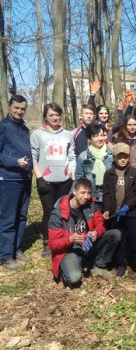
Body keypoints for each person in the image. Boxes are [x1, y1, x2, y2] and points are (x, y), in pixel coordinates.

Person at [49, 177, 121, 287]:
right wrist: (70, 239)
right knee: (74, 278)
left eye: (89, 193)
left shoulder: (91, 205)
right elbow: (53, 244)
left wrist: (96, 232)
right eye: (82, 192)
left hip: (88, 243)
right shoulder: (58, 213)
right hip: (69, 249)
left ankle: (99, 265)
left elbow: (100, 223)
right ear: (74, 191)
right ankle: (71, 267)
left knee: (115, 234)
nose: (86, 196)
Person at [31, 103, 76, 258]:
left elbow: (71, 154)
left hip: (64, 179)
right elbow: (33, 157)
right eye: (51, 115)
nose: (55, 118)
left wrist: (72, 169)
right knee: (49, 212)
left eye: (57, 115)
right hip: (46, 180)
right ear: (45, 116)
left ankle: (62, 239)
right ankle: (47, 242)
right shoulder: (37, 134)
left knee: (62, 211)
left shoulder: (67, 134)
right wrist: (39, 177)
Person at [102, 143, 136, 282]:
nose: (123, 159)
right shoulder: (109, 174)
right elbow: (106, 194)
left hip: (131, 213)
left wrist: (128, 206)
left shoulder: (134, 173)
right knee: (120, 240)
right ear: (114, 157)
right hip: (115, 214)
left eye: (125, 156)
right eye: (120, 157)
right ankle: (121, 264)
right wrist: (106, 209)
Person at [0, 95, 33, 270]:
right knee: (8, 218)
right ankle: (5, 256)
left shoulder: (24, 128)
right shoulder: (3, 127)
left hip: (25, 178)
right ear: (10, 107)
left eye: (22, 109)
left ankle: (16, 249)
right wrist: (14, 162)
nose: (20, 111)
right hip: (9, 179)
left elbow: (27, 151)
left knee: (21, 216)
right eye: (16, 108)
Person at [75, 122, 113, 210]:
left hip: (110, 197)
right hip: (91, 198)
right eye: (96, 136)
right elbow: (79, 179)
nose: (100, 138)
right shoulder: (83, 157)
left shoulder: (111, 155)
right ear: (89, 138)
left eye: (102, 135)